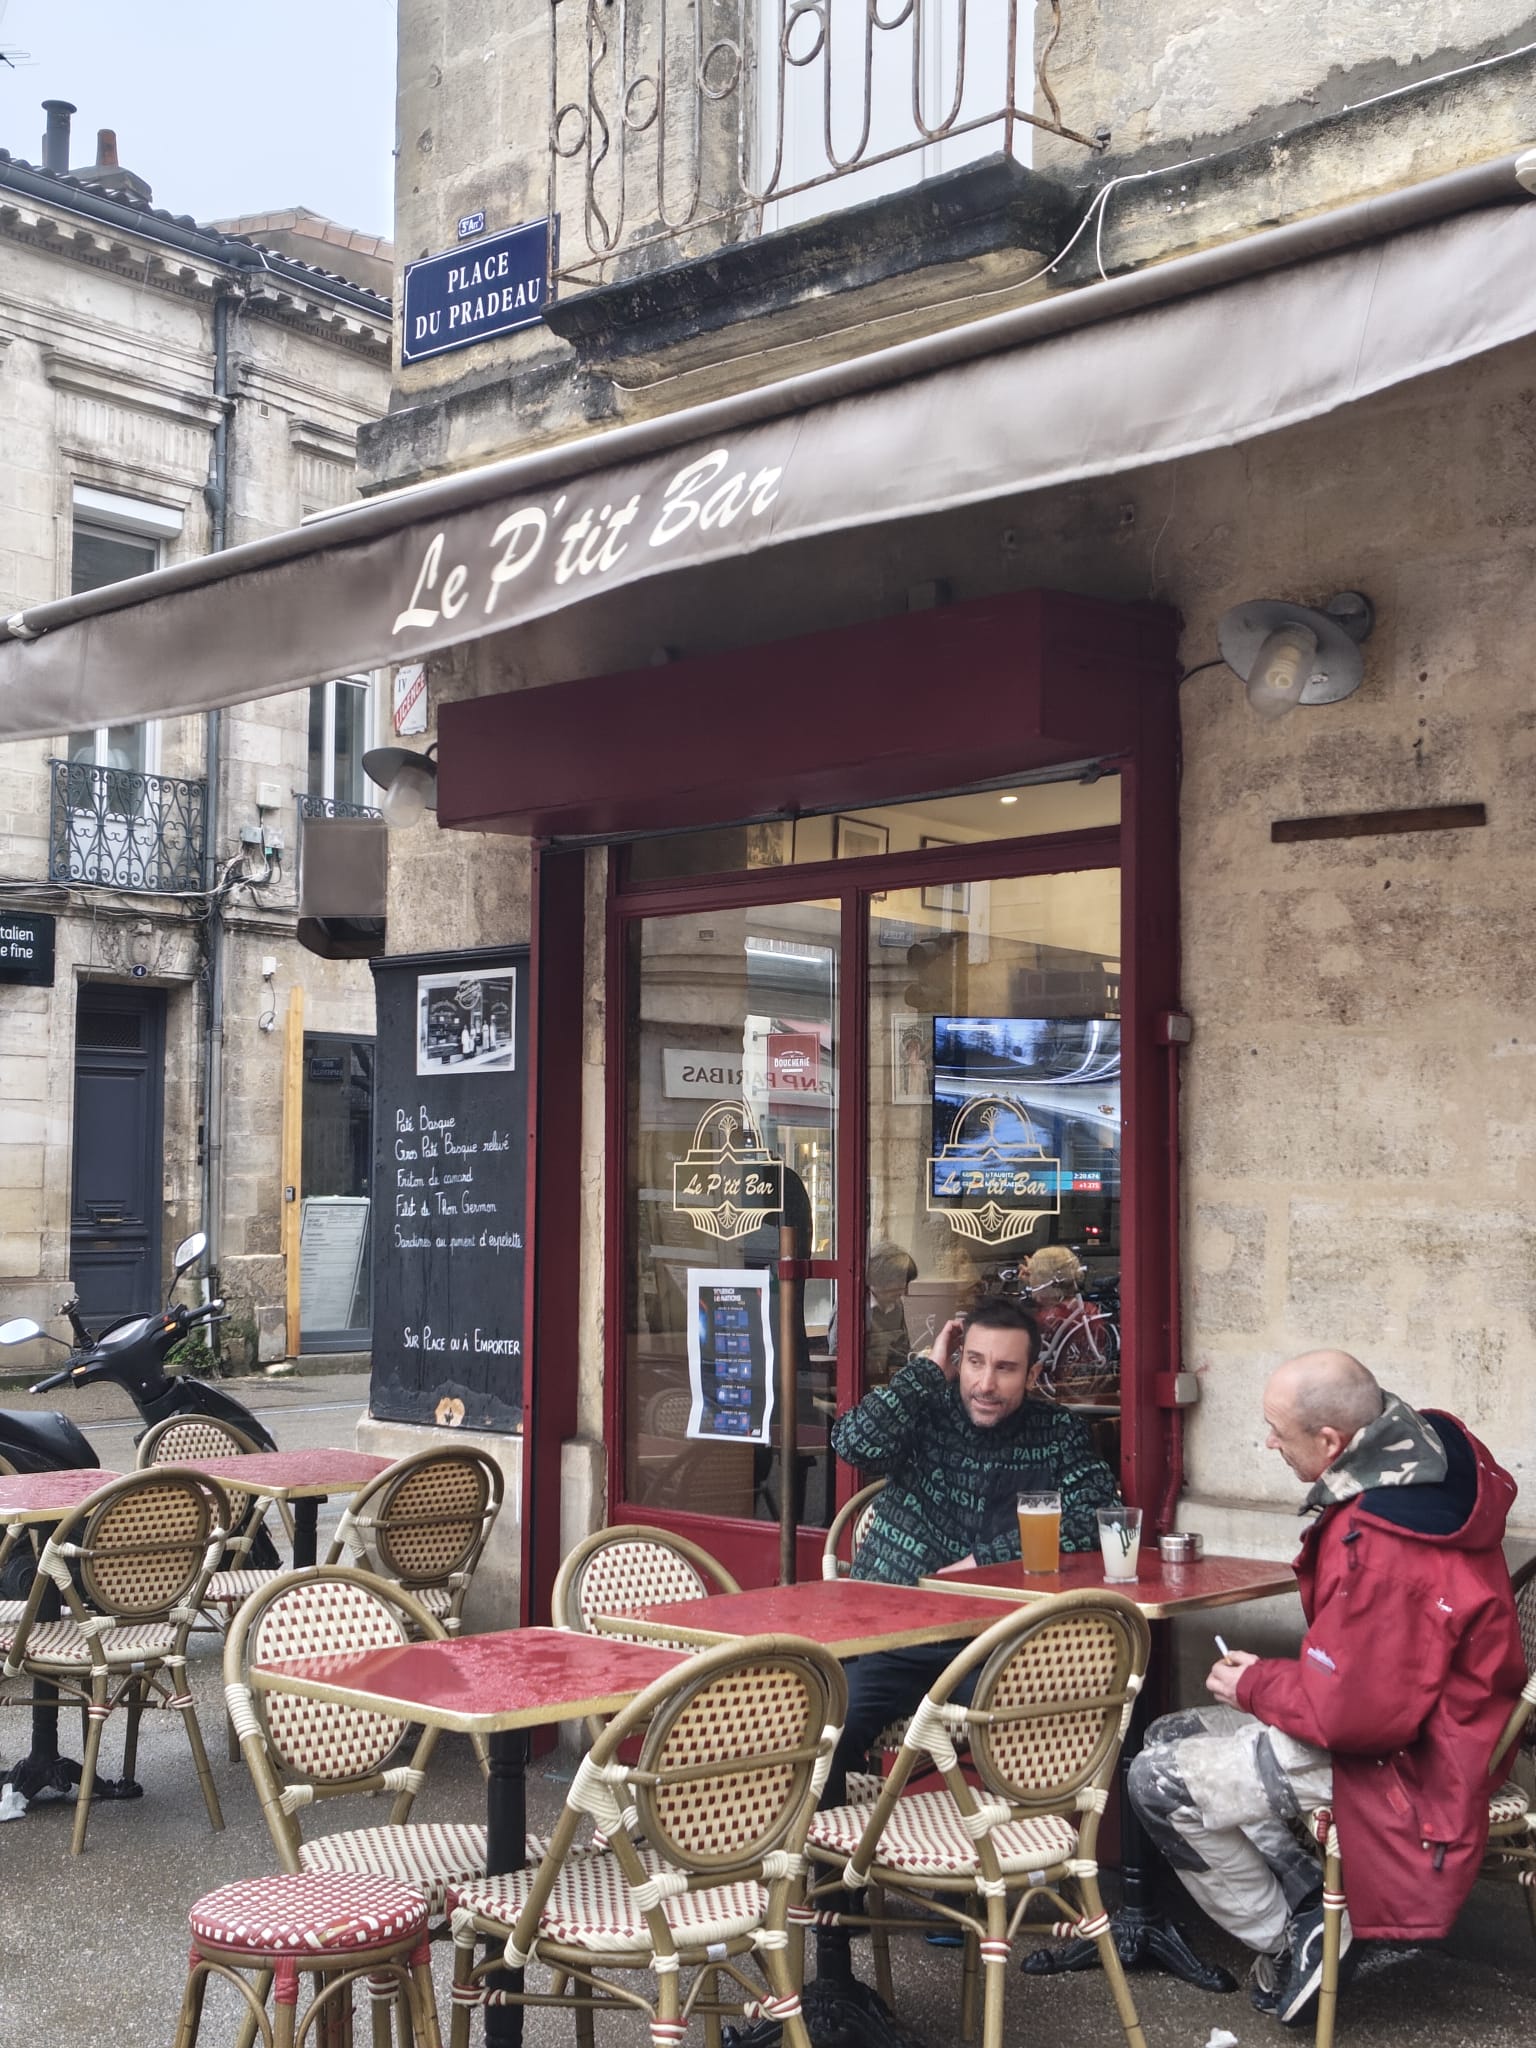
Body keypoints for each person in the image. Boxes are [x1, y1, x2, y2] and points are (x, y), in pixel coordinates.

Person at [1128, 1349, 1524, 2028]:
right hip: (1448, 1734)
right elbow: (1373, 1675)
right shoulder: (1428, 1470)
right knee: (1173, 1732)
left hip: (1409, 1770)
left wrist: (1256, 1683)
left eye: (1279, 1431)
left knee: (1155, 1778)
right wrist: (1269, 1683)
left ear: (1332, 1441)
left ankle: (1294, 1936)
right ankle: (1317, 1903)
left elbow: (1356, 1719)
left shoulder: (1381, 1541)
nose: (1270, 1443)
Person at [814, 1294, 1119, 1987]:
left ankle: (972, 1879)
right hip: (895, 1630)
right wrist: (925, 1372)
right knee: (828, 1726)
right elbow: (851, 1444)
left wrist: (988, 1560)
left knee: (1045, 1717)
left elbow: (1094, 1514)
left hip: (992, 1641)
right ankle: (838, 1888)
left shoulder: (1057, 1431)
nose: (986, 1383)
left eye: (1006, 1368)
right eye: (974, 1362)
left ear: (1032, 1372)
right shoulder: (927, 1409)